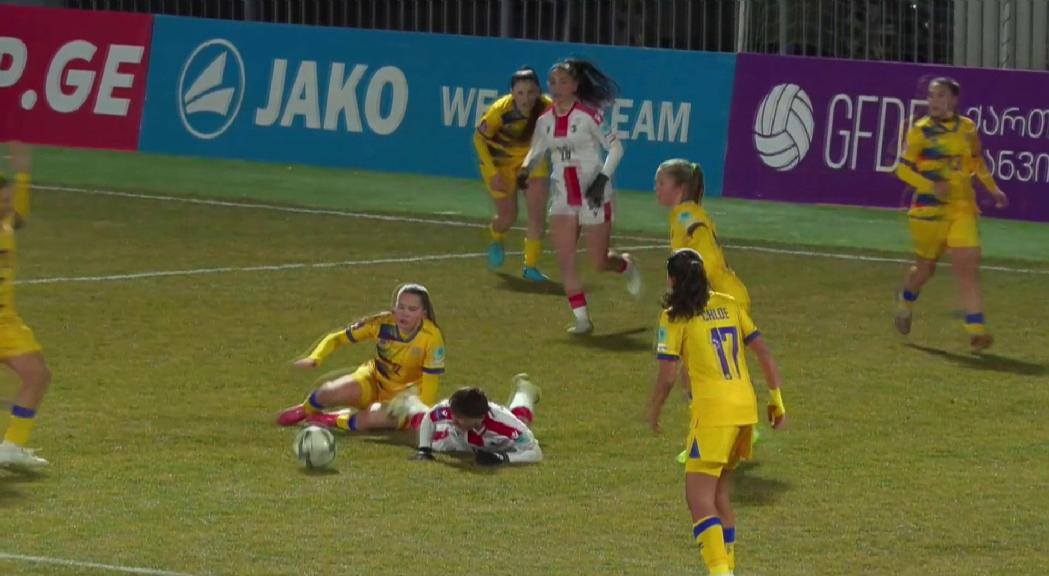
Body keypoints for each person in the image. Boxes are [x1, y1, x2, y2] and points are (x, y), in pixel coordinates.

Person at [646, 249, 786, 576]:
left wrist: (654, 410)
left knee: (698, 499)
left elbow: (667, 376)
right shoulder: (728, 304)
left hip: (713, 415)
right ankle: (729, 568)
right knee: (720, 492)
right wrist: (776, 399)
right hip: (744, 411)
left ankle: (719, 573)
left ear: (674, 280)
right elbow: (763, 351)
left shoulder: (674, 315)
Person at [518, 58, 640, 334]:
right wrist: (525, 169)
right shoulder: (544, 121)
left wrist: (601, 180)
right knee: (566, 257)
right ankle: (582, 319)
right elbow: (536, 150)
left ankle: (624, 264)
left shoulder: (589, 115)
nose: (557, 87)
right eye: (552, 82)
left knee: (598, 262)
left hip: (594, 194)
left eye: (563, 82)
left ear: (575, 85)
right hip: (562, 194)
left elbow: (616, 149)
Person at [894, 77, 1008, 352]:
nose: (934, 101)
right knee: (925, 269)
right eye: (931, 96)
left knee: (967, 269)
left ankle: (976, 330)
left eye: (940, 96)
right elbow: (901, 169)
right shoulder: (919, 131)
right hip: (928, 211)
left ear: (953, 100)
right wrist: (931, 185)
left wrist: (993, 189)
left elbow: (975, 162)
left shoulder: (967, 128)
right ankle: (906, 299)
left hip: (962, 207)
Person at [275, 283, 444, 433]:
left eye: (412, 309)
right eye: (401, 307)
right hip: (374, 380)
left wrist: (422, 414)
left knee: (370, 418)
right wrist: (315, 358)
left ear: (423, 313)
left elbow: (431, 382)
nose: (404, 313)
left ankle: (333, 420)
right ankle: (304, 410)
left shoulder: (431, 338)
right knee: (329, 391)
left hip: (405, 398)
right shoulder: (381, 323)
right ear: (394, 308)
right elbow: (337, 338)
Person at [474, 67, 553, 281]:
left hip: (532, 162)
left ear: (538, 91)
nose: (525, 98)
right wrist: (492, 173)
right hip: (501, 164)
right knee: (508, 217)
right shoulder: (499, 111)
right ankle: (497, 235)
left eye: (530, 92)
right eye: (520, 93)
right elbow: (479, 139)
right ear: (512, 93)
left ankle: (530, 267)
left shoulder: (548, 108)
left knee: (537, 215)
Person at [0, 142, 52, 469]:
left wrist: (22, 175)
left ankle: (11, 447)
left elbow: (18, 218)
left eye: (7, 199)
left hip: (7, 322)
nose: (7, 205)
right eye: (2, 200)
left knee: (37, 375)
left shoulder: (5, 224)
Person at [655, 159, 750, 312]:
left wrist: (692, 292)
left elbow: (710, 261)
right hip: (727, 296)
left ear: (680, 188)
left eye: (661, 183)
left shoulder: (686, 218)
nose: (656, 188)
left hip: (722, 301)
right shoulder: (685, 213)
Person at [392, 373, 542, 465]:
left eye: (459, 419)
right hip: (461, 440)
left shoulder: (506, 426)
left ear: (479, 418)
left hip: (497, 444)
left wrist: (503, 458)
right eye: (454, 416)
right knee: (430, 432)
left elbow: (535, 453)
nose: (453, 421)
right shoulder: (450, 411)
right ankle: (409, 402)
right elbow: (430, 417)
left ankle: (525, 390)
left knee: (520, 420)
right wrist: (424, 450)